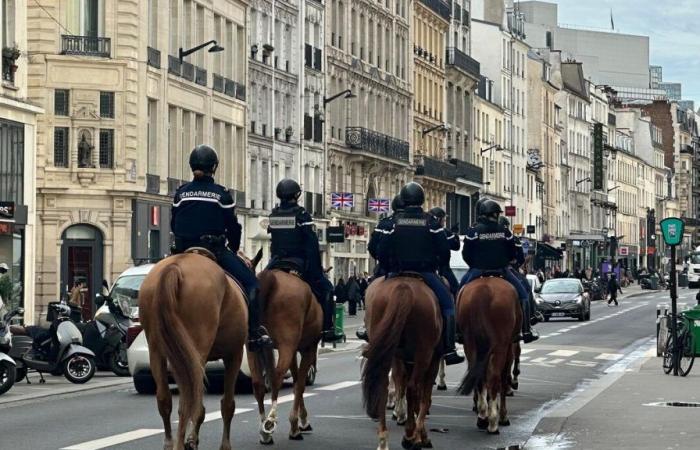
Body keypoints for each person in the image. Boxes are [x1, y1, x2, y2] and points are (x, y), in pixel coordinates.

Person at [171, 144, 272, 351]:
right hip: (213, 250)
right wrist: (233, 249)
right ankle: (254, 334)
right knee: (252, 284)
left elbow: (173, 224)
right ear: (214, 167)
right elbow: (233, 227)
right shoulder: (221, 194)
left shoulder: (181, 193)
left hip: (183, 250)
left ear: (191, 166)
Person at [377, 182, 464, 365]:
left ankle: (372, 338)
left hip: (397, 272)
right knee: (448, 305)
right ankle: (449, 348)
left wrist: (388, 269)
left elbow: (381, 250)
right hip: (425, 273)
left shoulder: (392, 222)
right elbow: (444, 250)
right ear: (422, 200)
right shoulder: (431, 222)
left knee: (375, 301)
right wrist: (438, 266)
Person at [266, 178, 344, 343]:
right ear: (296, 195)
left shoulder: (274, 215)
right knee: (328, 290)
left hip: (277, 261)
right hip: (298, 261)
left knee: (257, 286)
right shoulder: (302, 215)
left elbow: (274, 242)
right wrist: (316, 270)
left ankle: (255, 328)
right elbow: (311, 245)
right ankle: (327, 328)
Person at [460, 200, 539, 343]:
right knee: (523, 296)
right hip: (502, 270)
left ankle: (457, 331)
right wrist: (505, 262)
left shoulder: (473, 231)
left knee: (459, 293)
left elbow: (466, 253)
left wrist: (474, 265)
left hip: (478, 270)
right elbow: (512, 253)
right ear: (496, 214)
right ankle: (526, 330)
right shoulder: (504, 231)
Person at [368, 195, 404, 277]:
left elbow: (372, 247)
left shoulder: (384, 223)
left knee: (372, 288)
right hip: (418, 269)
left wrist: (384, 264)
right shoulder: (421, 222)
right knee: (438, 288)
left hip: (390, 269)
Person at [430, 207, 460, 296]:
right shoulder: (443, 231)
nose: (444, 221)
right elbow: (456, 246)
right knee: (457, 290)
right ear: (438, 219)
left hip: (422, 267)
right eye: (443, 219)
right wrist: (454, 234)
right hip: (441, 269)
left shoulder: (424, 230)